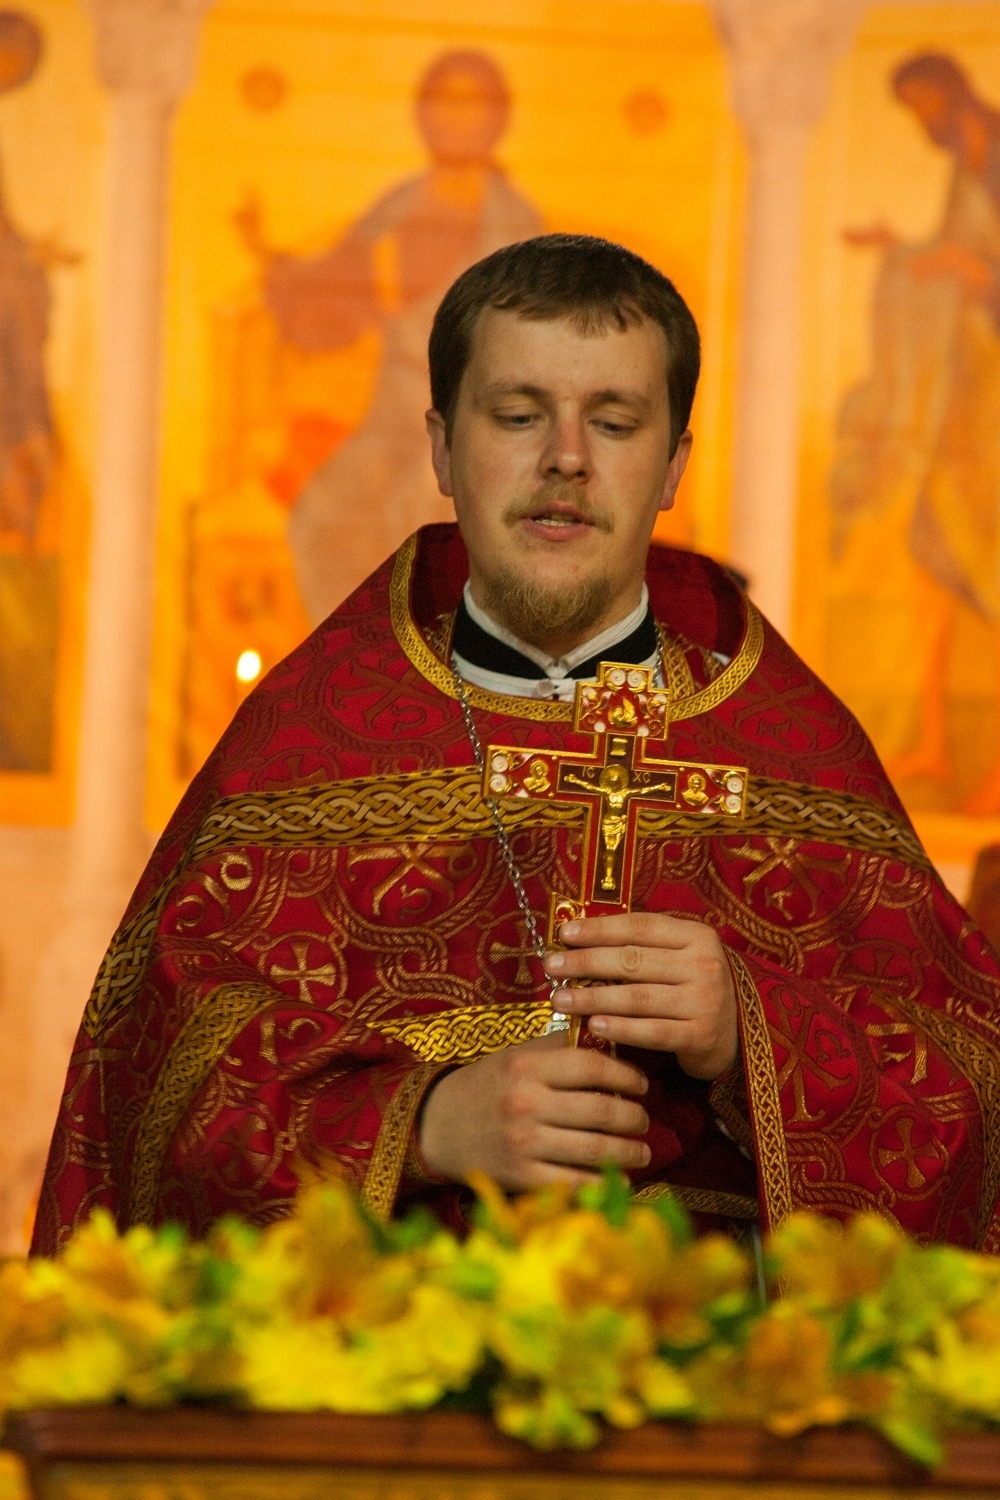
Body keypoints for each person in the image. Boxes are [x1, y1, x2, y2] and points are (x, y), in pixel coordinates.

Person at [33, 235, 1000, 1255]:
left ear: (673, 465)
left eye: (614, 421)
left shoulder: (797, 753)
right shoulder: (301, 746)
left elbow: (970, 1089)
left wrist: (753, 1029)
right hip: (379, 1342)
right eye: (518, 414)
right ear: (442, 448)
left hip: (716, 1338)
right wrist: (422, 1126)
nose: (566, 458)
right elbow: (153, 1094)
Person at [235, 49, 542, 626]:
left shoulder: (516, 222)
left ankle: (426, 663)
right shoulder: (402, 202)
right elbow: (339, 283)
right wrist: (272, 262)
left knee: (425, 534)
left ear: (495, 118)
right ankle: (355, 651)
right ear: (424, 113)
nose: (455, 116)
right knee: (317, 520)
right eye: (444, 101)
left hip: (474, 423)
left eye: (471, 103)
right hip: (393, 413)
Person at [832, 53, 1000, 812]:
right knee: (934, 549)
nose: (923, 121)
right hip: (957, 398)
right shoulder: (967, 161)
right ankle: (933, 738)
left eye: (926, 104)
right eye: (912, 109)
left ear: (954, 92)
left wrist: (975, 273)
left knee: (986, 557)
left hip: (988, 398)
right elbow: (956, 260)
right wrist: (900, 251)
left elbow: (980, 267)